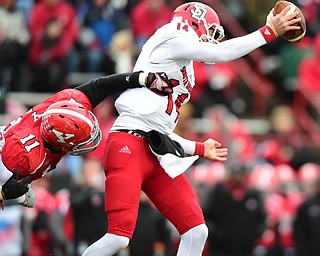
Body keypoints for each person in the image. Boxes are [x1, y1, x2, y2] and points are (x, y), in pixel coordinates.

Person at [82, 2, 301, 256]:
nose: (211, 39)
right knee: (119, 237)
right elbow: (221, 53)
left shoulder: (182, 60)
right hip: (128, 143)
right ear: (195, 22)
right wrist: (268, 31)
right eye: (210, 30)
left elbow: (157, 129)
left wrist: (199, 148)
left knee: (197, 231)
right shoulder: (172, 36)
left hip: (155, 151)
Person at [0, 70, 174, 208]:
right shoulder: (22, 158)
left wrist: (143, 79)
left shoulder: (67, 102)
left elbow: (100, 86)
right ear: (61, 141)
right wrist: (3, 193)